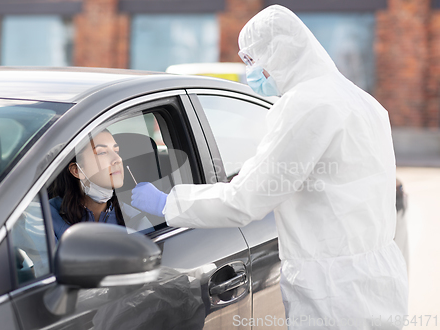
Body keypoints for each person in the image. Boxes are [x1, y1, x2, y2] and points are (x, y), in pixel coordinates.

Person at [131, 5, 408, 329]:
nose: (250, 71)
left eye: (251, 60)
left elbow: (245, 200)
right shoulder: (361, 100)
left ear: (279, 53)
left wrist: (168, 203)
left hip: (333, 290)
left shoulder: (306, 104)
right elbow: (315, 176)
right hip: (378, 279)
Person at [49, 126, 152, 241]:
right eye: (102, 152)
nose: (117, 159)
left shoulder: (135, 219)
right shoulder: (47, 216)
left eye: (116, 151)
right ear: (77, 170)